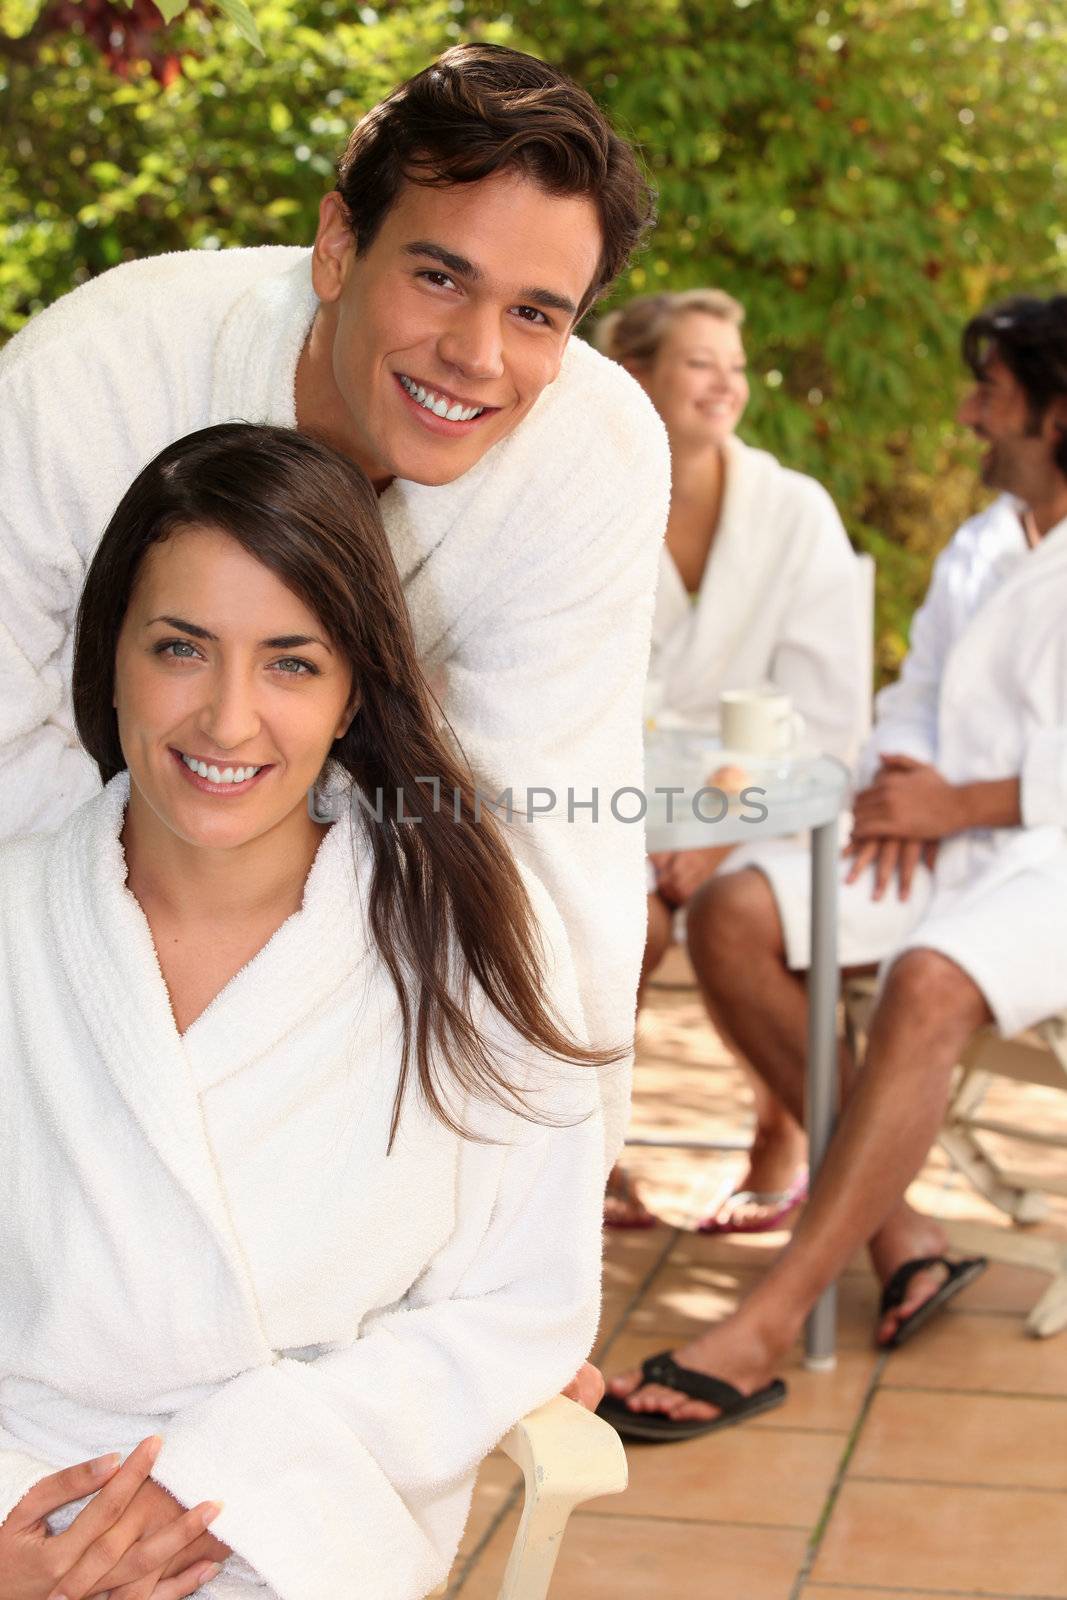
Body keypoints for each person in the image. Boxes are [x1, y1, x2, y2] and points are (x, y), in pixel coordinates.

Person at [0, 44, 670, 1174]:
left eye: (536, 315)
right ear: (335, 246)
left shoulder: (589, 453)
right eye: (439, 276)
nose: (474, 356)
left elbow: (554, 830)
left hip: (351, 938)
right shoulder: (98, 374)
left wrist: (559, 1223)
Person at [0, 424, 609, 1598]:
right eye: (181, 648)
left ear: (351, 692)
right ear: (111, 655)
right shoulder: (17, 921)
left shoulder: (463, 933)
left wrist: (222, 1486)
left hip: (291, 1535)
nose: (228, 722)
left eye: (290, 661)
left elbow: (520, 1298)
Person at [600, 293, 1067, 1440]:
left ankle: (765, 1320)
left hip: (1046, 852)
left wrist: (957, 799)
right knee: (734, 910)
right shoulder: (983, 539)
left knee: (926, 984)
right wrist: (904, 775)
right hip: (942, 834)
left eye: (990, 395)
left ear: (1056, 412)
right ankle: (899, 1229)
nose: (966, 413)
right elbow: (912, 689)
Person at [595, 289, 866, 1231]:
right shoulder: (580, 498)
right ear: (635, 375)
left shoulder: (795, 513)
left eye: (735, 366)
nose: (725, 384)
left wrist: (720, 828)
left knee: (734, 915)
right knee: (619, 924)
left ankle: (781, 1139)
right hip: (605, 796)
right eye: (699, 363)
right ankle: (585, 1156)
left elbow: (826, 711)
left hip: (761, 800)